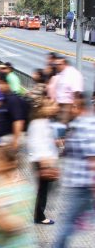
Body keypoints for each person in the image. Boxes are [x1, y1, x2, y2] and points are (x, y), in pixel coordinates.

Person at [54, 93, 95, 248]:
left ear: (79, 107)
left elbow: (93, 158)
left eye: (73, 106)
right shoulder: (77, 124)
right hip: (76, 183)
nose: (70, 109)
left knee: (68, 222)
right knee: (70, 221)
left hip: (83, 185)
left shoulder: (88, 126)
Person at [27, 98, 59, 225]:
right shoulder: (39, 123)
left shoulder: (43, 122)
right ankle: (39, 216)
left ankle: (39, 213)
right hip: (42, 161)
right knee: (43, 190)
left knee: (45, 188)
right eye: (50, 105)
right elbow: (36, 143)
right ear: (42, 109)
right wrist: (44, 162)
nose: (54, 107)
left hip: (44, 160)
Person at [0, 72, 25, 149]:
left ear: (8, 84)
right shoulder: (6, 99)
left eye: (1, 83)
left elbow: (18, 121)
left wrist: (15, 141)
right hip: (5, 139)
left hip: (11, 139)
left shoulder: (13, 100)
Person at [54, 56, 83, 124]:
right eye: (56, 64)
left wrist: (75, 106)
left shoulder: (72, 74)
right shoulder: (61, 73)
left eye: (59, 64)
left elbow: (77, 91)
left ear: (65, 64)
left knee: (64, 124)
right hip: (60, 104)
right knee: (59, 125)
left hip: (68, 105)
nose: (57, 66)